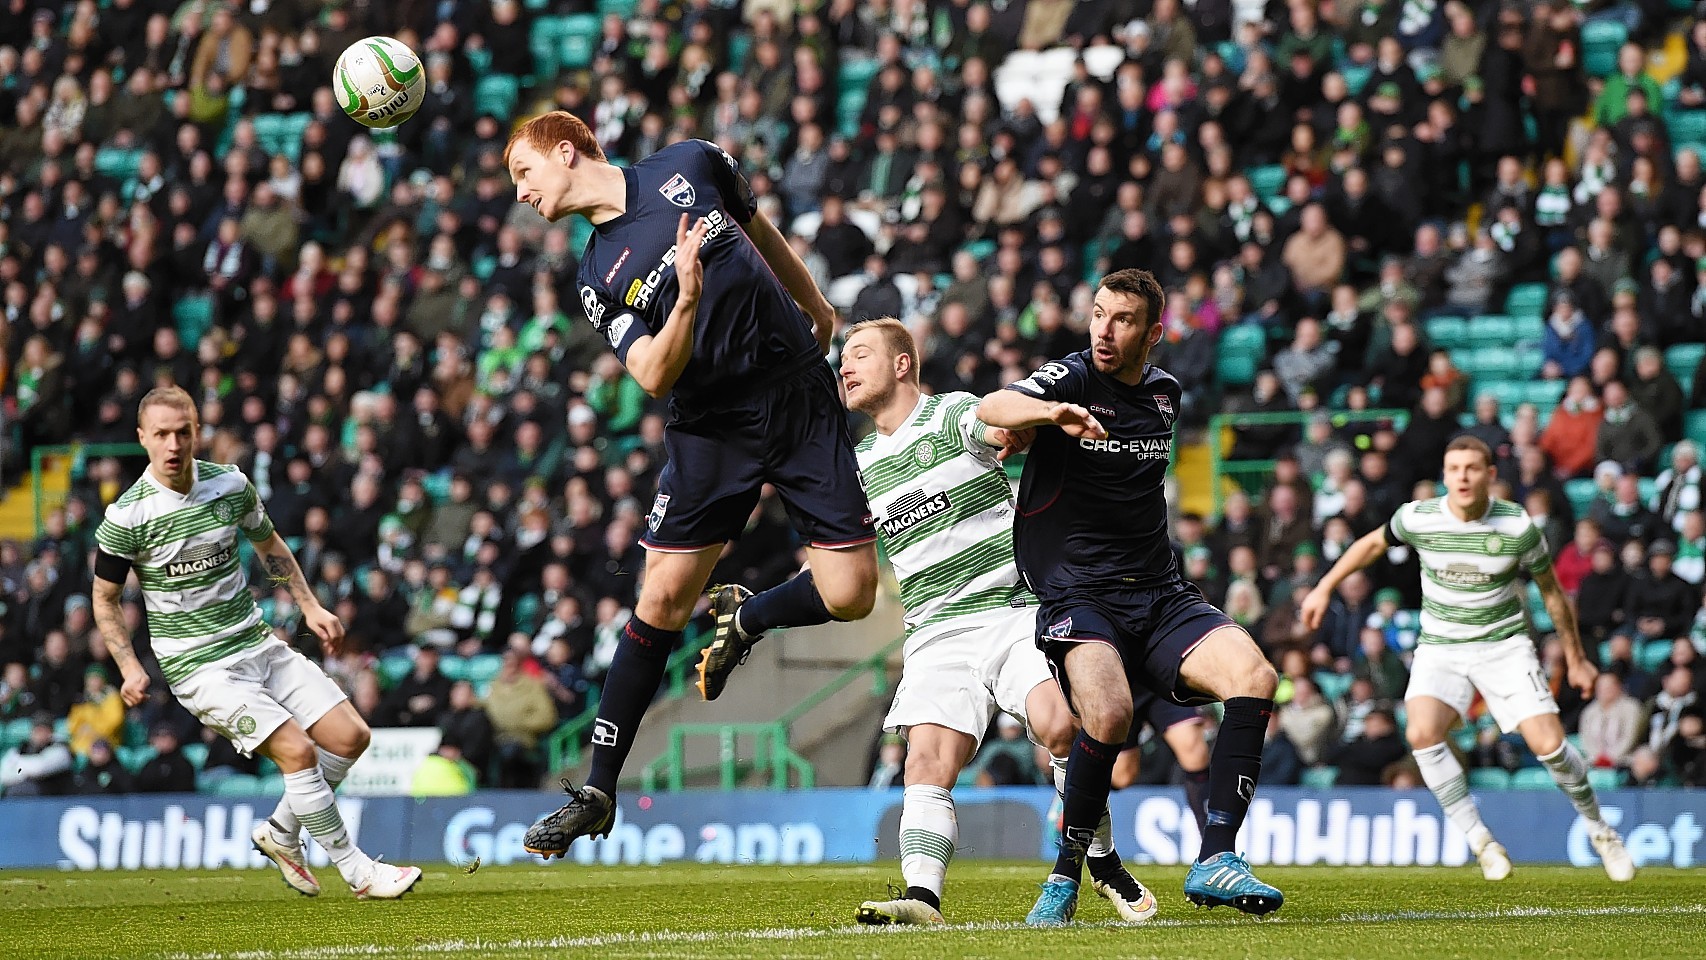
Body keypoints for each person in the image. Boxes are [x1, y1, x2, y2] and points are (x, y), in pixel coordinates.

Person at [504, 112, 880, 855]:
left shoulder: (694, 163)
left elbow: (760, 229)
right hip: (711, 428)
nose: (520, 192)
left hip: (796, 394)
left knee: (851, 594)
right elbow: (650, 373)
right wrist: (684, 298)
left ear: (567, 152)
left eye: (523, 172)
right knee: (660, 600)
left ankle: (748, 620)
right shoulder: (595, 276)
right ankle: (599, 791)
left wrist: (816, 305)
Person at [977, 269, 1283, 924]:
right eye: (1097, 314)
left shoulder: (1167, 394)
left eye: (1120, 320)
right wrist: (1046, 414)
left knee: (1256, 677)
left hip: (1160, 590)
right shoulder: (1071, 379)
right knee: (1109, 716)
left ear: (1153, 334)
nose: (1103, 331)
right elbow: (991, 406)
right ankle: (1064, 876)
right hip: (1079, 593)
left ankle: (1216, 858)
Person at [838, 318, 1158, 926]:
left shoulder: (949, 416)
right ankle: (923, 898)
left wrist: (1035, 421)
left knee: (1062, 726)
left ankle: (1104, 861)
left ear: (902, 364)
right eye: (844, 359)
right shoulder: (859, 467)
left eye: (860, 354)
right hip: (934, 632)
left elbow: (993, 424)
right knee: (926, 759)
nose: (846, 367)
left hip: (1011, 613)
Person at [90, 386, 420, 899]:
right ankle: (359, 872)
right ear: (142, 439)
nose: (174, 444)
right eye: (161, 435)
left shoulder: (229, 485)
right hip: (198, 666)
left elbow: (269, 544)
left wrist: (309, 606)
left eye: (183, 432)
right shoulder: (128, 517)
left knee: (351, 737)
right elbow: (105, 599)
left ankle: (281, 833)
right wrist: (129, 666)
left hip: (256, 643)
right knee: (297, 751)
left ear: (198, 432)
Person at [1302, 436, 1635, 883]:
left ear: (1489, 475)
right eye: (1453, 468)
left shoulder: (1517, 527)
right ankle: (1481, 842)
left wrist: (1575, 658)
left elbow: (1552, 593)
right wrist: (1324, 586)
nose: (1461, 476)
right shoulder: (1418, 517)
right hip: (1441, 646)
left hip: (1504, 645)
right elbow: (1370, 545)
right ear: (1444, 474)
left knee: (1550, 746)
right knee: (1421, 733)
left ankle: (1601, 832)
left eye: (1471, 468)